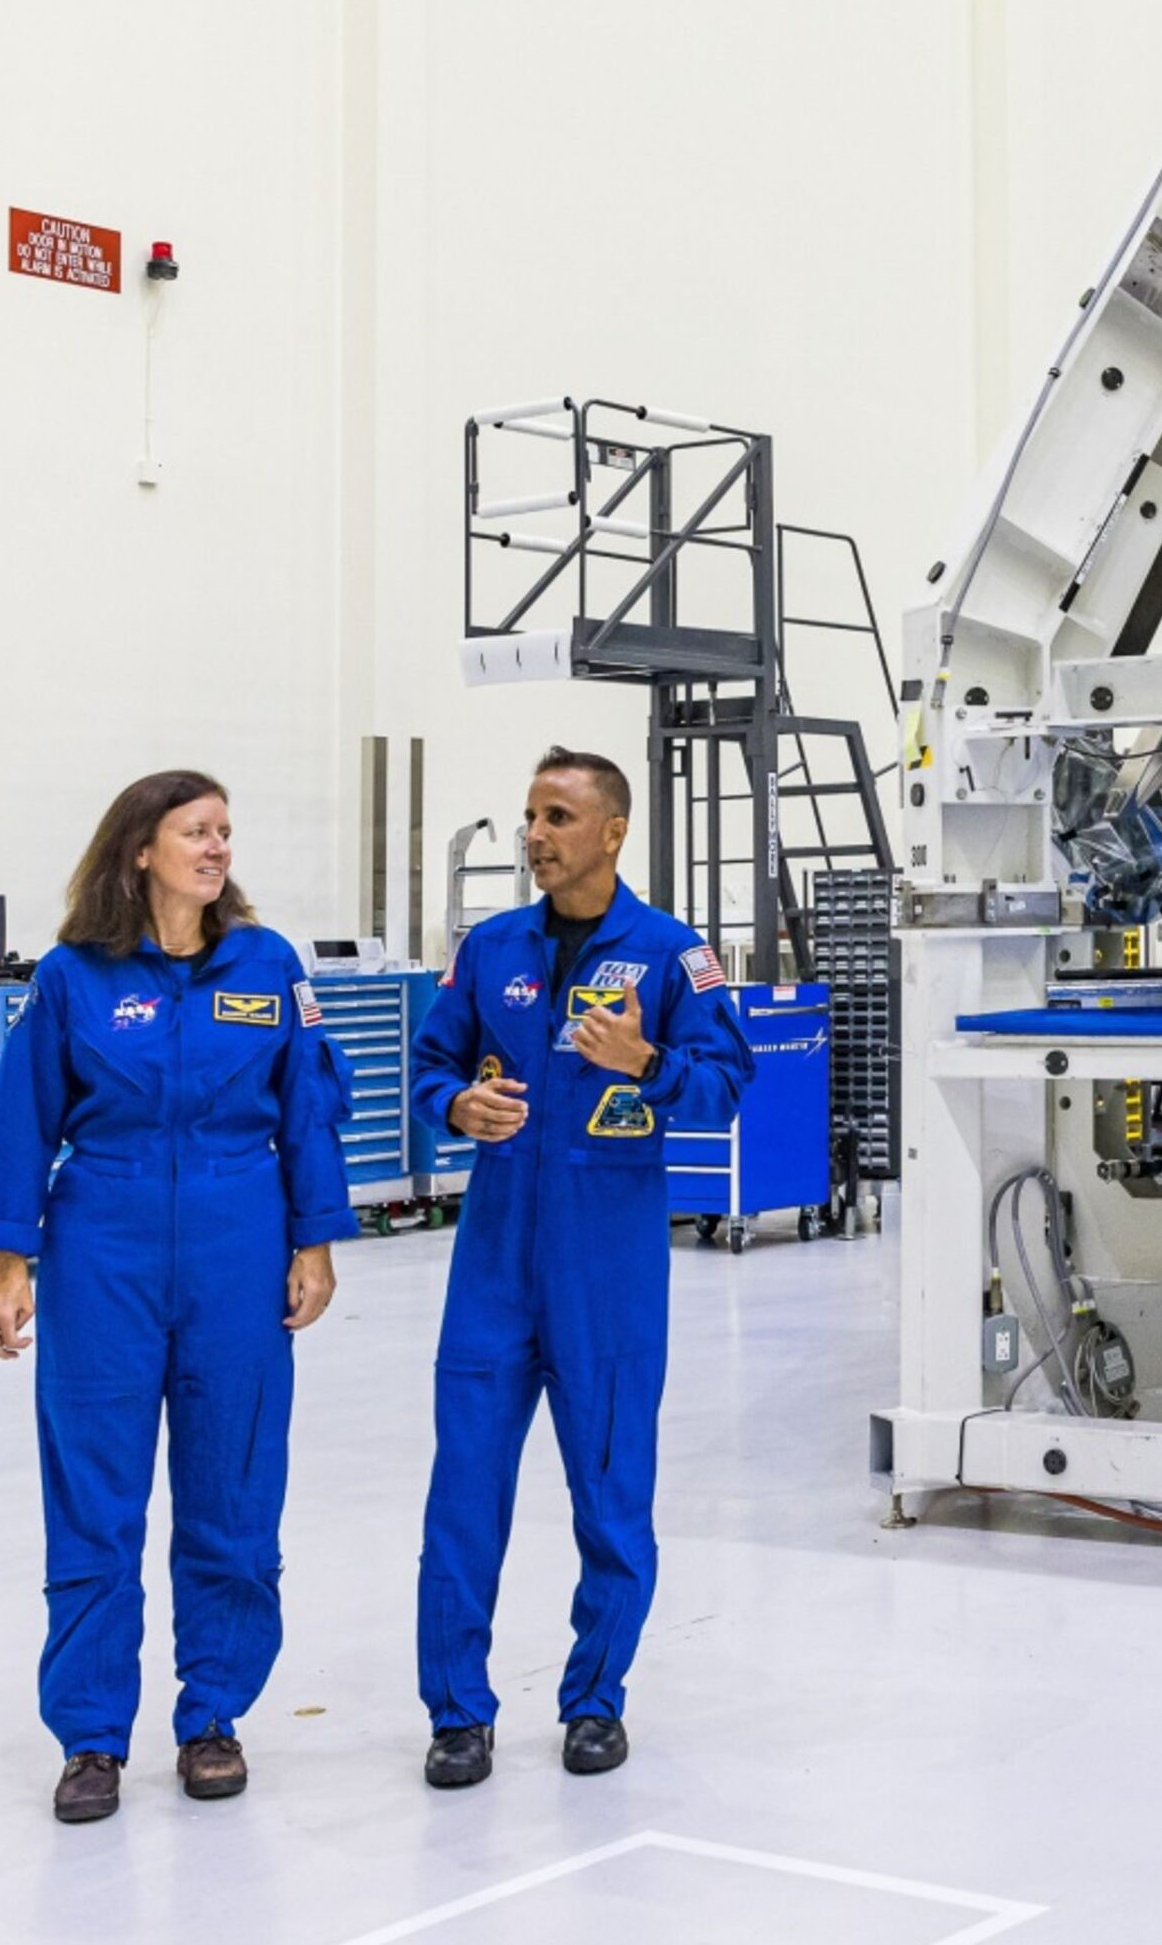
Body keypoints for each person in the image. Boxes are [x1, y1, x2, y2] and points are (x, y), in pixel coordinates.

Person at [0, 770, 357, 1826]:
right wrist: (10, 1264)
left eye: (226, 830)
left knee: (234, 1492)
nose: (218, 847)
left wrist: (316, 1241)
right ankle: (92, 1736)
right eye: (196, 831)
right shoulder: (73, 975)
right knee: (96, 1501)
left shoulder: (268, 965)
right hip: (106, 1240)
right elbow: (21, 1120)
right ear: (140, 849)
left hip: (241, 1238)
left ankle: (213, 1716)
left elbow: (309, 1108)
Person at [410, 747, 752, 1788]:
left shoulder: (671, 955)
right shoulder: (489, 949)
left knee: (610, 1492)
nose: (535, 835)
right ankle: (457, 1713)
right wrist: (456, 1106)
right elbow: (432, 1064)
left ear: (613, 831)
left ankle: (596, 1699)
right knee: (464, 1490)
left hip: (607, 1265)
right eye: (530, 815)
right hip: (494, 1257)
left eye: (558, 816)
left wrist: (644, 1063)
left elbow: (726, 1084)